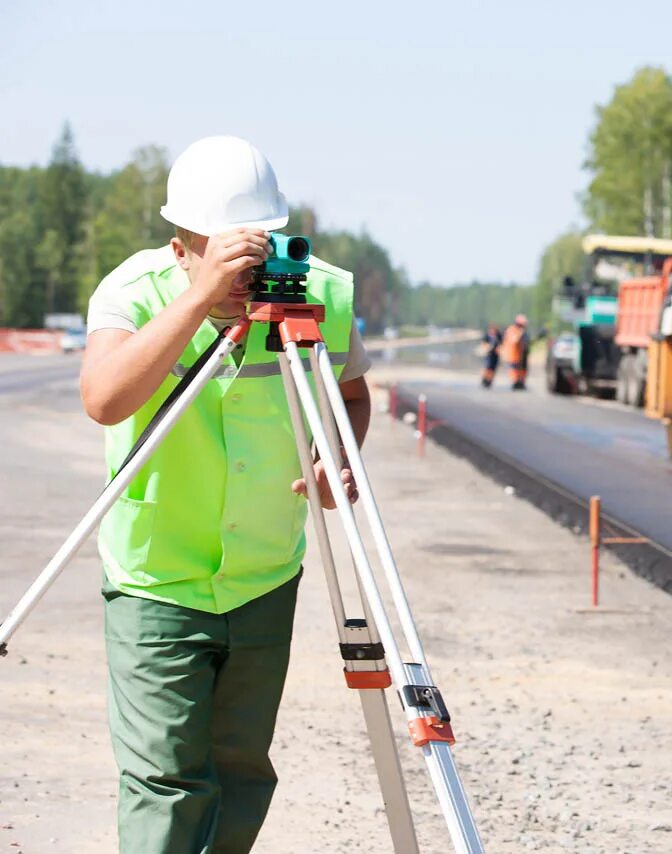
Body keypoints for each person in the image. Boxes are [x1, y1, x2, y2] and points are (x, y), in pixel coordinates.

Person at [80, 135, 373, 853]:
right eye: (225, 252)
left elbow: (354, 396)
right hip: (158, 575)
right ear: (181, 246)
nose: (248, 270)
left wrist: (337, 455)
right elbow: (105, 399)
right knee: (166, 778)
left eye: (258, 248)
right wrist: (202, 299)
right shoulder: (134, 291)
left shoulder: (318, 295)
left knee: (241, 772)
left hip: (264, 570)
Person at [499, 313, 530, 390]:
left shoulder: (521, 331)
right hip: (513, 354)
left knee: (522, 369)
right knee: (514, 369)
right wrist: (520, 334)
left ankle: (521, 382)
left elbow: (526, 342)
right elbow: (514, 341)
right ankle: (516, 382)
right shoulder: (513, 330)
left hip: (520, 354)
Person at [481, 322, 501, 388]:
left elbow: (501, 344)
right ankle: (485, 379)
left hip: (495, 355)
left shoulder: (498, 335)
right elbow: (484, 343)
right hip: (488, 354)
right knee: (487, 367)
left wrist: (499, 348)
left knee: (493, 368)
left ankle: (490, 380)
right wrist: (487, 347)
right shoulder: (487, 335)